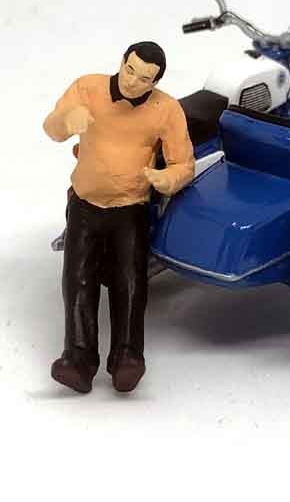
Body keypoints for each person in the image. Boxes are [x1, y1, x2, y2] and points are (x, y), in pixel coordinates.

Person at [42, 41, 194, 393]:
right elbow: (51, 128)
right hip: (85, 204)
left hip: (130, 209)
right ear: (122, 62)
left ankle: (127, 356)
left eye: (144, 79)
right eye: (130, 70)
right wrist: (66, 120)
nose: (132, 81)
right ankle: (78, 358)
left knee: (130, 282)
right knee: (78, 280)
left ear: (155, 83)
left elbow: (183, 164)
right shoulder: (87, 88)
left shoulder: (167, 110)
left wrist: (167, 179)